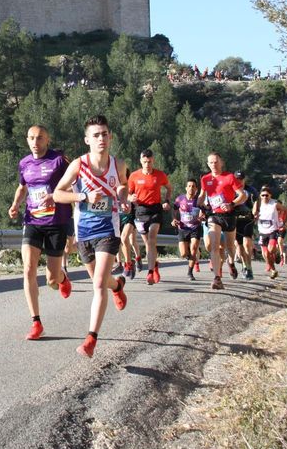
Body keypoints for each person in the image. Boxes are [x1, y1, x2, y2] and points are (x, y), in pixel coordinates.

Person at [54, 115, 129, 358]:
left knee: (98, 284)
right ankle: (117, 286)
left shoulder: (118, 165)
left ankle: (91, 340)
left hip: (108, 229)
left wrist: (123, 197)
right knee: (103, 280)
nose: (101, 139)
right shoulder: (78, 165)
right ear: (87, 140)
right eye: (96, 135)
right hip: (84, 231)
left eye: (104, 134)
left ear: (110, 136)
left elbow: (123, 185)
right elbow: (58, 194)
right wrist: (83, 197)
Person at [8, 126, 73, 341]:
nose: (35, 142)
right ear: (27, 140)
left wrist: (55, 196)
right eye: (32, 138)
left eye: (40, 138)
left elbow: (74, 186)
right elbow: (22, 187)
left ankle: (62, 278)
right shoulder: (24, 163)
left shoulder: (59, 161)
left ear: (48, 140)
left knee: (52, 280)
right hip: (32, 221)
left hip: (56, 222)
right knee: (28, 268)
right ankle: (36, 322)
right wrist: (15, 204)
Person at [199, 152, 247, 290]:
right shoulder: (205, 179)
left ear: (221, 163)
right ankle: (217, 278)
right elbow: (202, 196)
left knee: (230, 247)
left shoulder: (229, 177)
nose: (213, 165)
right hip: (214, 216)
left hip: (229, 215)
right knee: (214, 246)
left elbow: (242, 196)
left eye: (216, 162)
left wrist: (231, 204)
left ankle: (231, 262)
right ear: (208, 164)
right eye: (211, 162)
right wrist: (200, 205)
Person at [126, 149, 171, 285]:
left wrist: (167, 201)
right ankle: (155, 265)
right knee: (148, 243)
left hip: (155, 210)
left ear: (153, 161)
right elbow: (127, 193)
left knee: (152, 239)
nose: (147, 164)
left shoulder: (160, 175)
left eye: (149, 162)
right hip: (140, 211)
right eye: (145, 162)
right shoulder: (134, 176)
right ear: (141, 161)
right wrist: (130, 198)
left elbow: (169, 188)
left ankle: (150, 272)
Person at [172, 179, 204, 281]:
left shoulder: (199, 200)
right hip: (183, 228)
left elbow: (205, 211)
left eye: (193, 186)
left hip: (195, 227)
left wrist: (202, 216)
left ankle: (190, 272)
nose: (191, 188)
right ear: (186, 188)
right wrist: (174, 219)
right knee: (183, 254)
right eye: (189, 186)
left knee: (194, 249)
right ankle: (191, 256)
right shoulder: (180, 199)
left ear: (196, 189)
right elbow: (174, 209)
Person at [253, 185, 286, 278]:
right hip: (262, 231)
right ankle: (273, 270)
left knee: (270, 249)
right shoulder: (257, 203)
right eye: (262, 195)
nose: (264, 197)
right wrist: (255, 216)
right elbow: (253, 213)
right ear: (260, 195)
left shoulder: (274, 203)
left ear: (270, 195)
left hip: (273, 230)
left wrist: (284, 222)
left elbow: (286, 210)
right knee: (266, 254)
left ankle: (275, 253)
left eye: (266, 195)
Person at [232, 171, 258, 280]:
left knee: (247, 244)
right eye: (237, 179)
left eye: (241, 179)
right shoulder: (231, 189)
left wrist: (255, 212)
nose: (239, 181)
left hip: (248, 219)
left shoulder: (251, 190)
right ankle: (244, 265)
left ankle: (249, 268)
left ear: (244, 179)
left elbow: (256, 202)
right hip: (235, 220)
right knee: (240, 246)